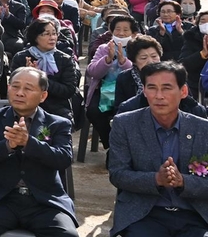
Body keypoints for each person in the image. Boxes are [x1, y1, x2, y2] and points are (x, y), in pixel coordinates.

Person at [0, 68, 78, 237]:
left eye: (28, 88)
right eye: (15, 87)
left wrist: (29, 143)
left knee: (67, 235)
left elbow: (63, 159)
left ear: (43, 96)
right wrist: (8, 145)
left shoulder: (58, 123)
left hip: (44, 201)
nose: (20, 93)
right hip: (1, 198)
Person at [108, 62, 208, 236]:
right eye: (152, 88)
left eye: (167, 88)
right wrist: (156, 179)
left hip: (195, 214)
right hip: (144, 214)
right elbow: (117, 174)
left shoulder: (202, 129)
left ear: (183, 91)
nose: (158, 96)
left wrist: (183, 181)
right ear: (144, 91)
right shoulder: (125, 124)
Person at [8, 18, 80, 119]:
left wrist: (41, 77)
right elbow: (13, 87)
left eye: (54, 34)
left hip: (56, 108)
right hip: (24, 106)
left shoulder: (65, 59)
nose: (52, 38)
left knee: (57, 126)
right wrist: (26, 74)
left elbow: (69, 90)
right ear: (35, 37)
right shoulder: (21, 57)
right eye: (46, 34)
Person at [85, 16, 139, 148]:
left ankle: (125, 146)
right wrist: (107, 60)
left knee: (126, 113)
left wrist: (123, 62)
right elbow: (92, 71)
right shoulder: (104, 48)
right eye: (117, 29)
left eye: (126, 30)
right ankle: (111, 145)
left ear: (133, 33)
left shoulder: (138, 47)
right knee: (93, 111)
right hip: (104, 89)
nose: (121, 33)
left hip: (129, 91)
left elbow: (140, 72)